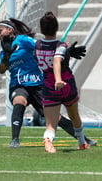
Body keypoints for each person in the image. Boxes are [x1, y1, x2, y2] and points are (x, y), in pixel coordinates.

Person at [0, 18, 96, 148]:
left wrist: (67, 51)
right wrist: (6, 56)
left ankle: (84, 139)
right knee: (18, 101)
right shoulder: (4, 49)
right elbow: (1, 70)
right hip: (19, 85)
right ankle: (14, 140)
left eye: (0, 31)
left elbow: (43, 47)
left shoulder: (23, 40)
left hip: (37, 85)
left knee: (55, 117)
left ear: (9, 30)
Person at [34, 11, 90, 153]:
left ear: (41, 29)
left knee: (51, 124)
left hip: (48, 86)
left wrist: (68, 52)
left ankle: (48, 140)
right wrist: (59, 79)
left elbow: (45, 58)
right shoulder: (61, 45)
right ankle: (82, 142)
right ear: (57, 28)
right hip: (65, 84)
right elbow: (57, 60)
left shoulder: (38, 45)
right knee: (74, 115)